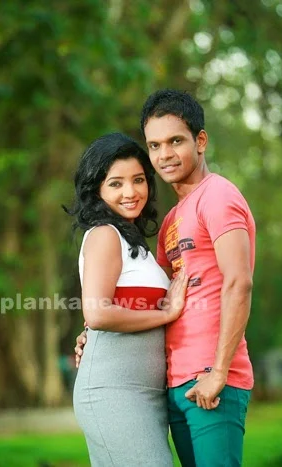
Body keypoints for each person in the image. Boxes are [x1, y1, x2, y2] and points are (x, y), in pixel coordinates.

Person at [75, 90, 256, 466]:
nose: (165, 154)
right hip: (174, 383)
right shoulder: (172, 220)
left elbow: (238, 283)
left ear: (200, 141)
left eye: (175, 141)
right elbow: (161, 300)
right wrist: (93, 333)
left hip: (210, 377)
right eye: (155, 145)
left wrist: (219, 371)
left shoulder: (219, 197)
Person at [63, 132, 190, 466]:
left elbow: (109, 310)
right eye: (116, 184)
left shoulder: (132, 242)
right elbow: (98, 314)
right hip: (114, 392)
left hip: (145, 395)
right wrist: (166, 314)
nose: (131, 192)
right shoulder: (105, 234)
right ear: (97, 190)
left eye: (138, 180)